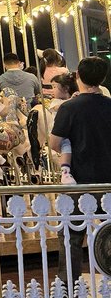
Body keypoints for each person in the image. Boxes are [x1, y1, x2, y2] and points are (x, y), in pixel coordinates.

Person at [49, 56, 111, 284]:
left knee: (71, 233)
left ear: (78, 77)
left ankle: (68, 283)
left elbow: (55, 143)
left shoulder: (70, 107)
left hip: (79, 179)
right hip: (108, 179)